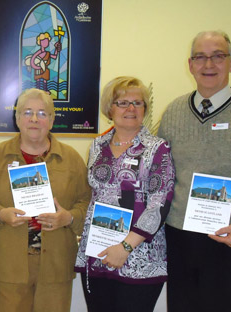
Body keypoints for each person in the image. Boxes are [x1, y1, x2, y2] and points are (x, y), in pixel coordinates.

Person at [158, 30, 231, 312]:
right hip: (180, 242)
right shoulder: (173, 112)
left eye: (218, 56)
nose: (208, 64)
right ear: (190, 65)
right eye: (200, 57)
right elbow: (159, 175)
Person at [0, 88, 91, 312]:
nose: (34, 119)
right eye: (27, 112)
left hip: (55, 266)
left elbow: (87, 203)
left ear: (51, 120)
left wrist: (68, 218)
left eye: (42, 113)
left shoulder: (71, 159)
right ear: (17, 118)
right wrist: (0, 214)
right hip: (10, 264)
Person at [74, 76, 175, 312]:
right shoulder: (97, 145)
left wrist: (125, 248)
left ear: (145, 109)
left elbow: (160, 203)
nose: (131, 108)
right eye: (122, 103)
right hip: (99, 252)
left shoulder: (158, 148)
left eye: (138, 103)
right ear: (110, 109)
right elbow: (95, 195)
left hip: (139, 256)